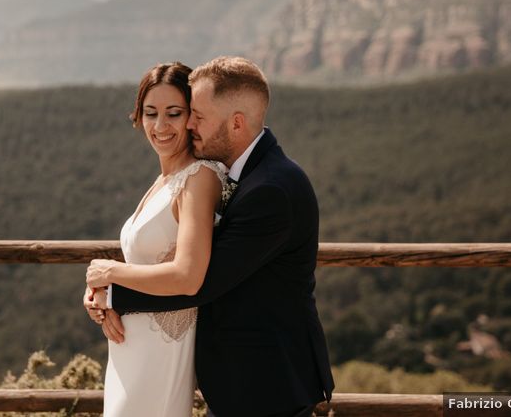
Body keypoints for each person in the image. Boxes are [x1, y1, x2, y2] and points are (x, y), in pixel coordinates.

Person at [85, 56, 335, 417]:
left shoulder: (271, 189)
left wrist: (111, 292)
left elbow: (201, 282)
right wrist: (101, 293)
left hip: (268, 382)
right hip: (239, 378)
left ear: (236, 123)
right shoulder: (245, 174)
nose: (189, 124)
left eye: (196, 116)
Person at [85, 61, 228, 417]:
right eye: (150, 113)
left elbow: (188, 276)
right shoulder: (163, 180)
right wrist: (102, 297)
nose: (160, 126)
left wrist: (111, 274)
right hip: (128, 347)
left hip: (161, 351)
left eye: (173, 113)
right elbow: (144, 267)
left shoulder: (200, 178)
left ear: (191, 117)